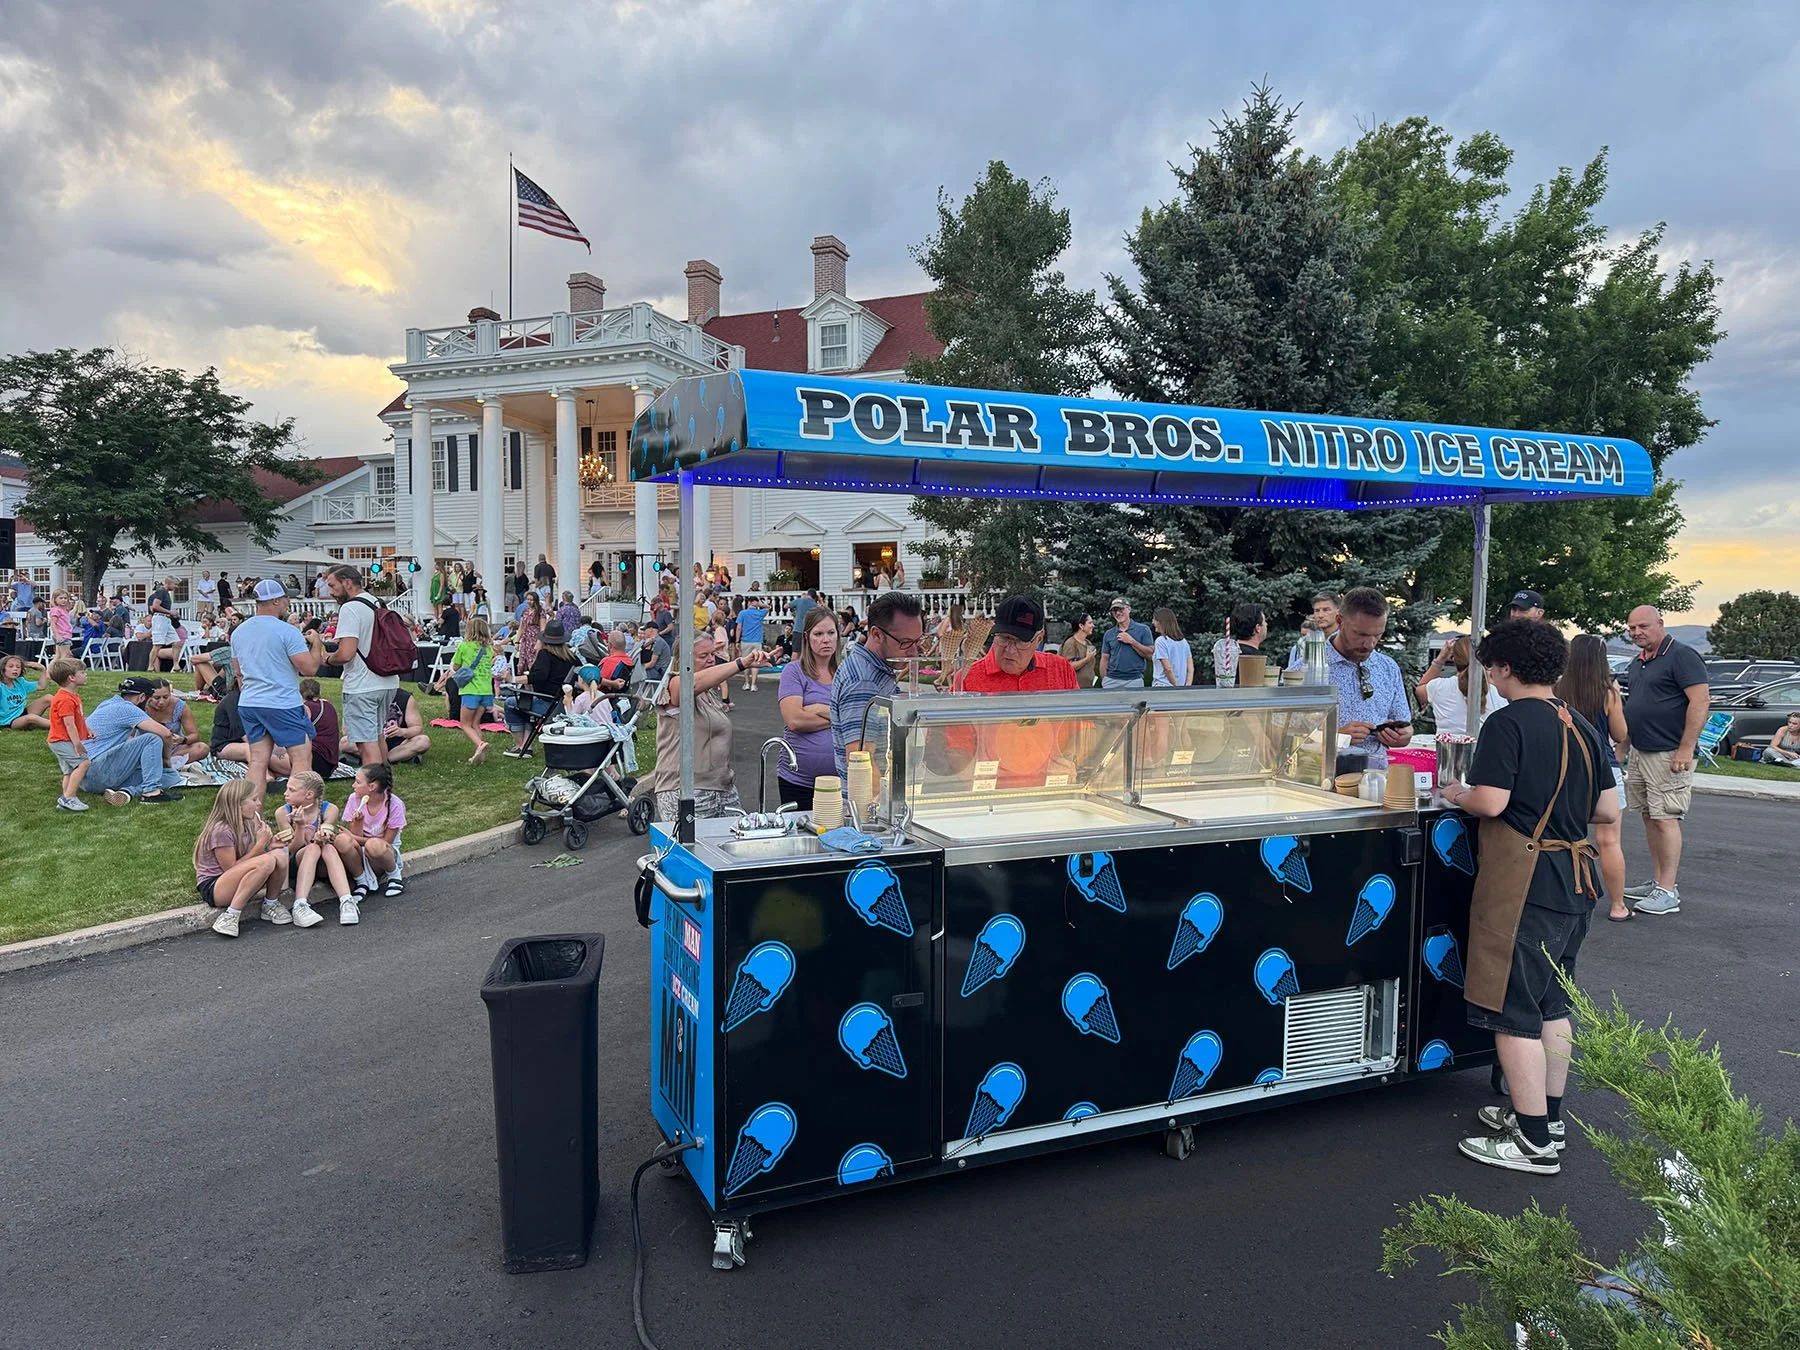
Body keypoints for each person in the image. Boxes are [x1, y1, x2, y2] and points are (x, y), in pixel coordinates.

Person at [1439, 620, 1615, 1175]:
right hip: (1576, 879)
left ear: (1505, 668)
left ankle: (1533, 1142)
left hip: (1525, 884)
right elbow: (1607, 810)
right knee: (1552, 1006)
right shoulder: (1580, 723)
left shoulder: (1507, 722)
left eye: (1491, 667)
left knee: (1512, 1011)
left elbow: (1491, 802)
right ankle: (1547, 1118)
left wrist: (1457, 792)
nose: (1489, 677)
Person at [1620, 605, 1710, 917]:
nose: (1636, 632)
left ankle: (1668, 891)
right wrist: (1624, 746)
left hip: (1669, 753)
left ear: (1660, 623)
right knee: (1649, 816)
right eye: (1632, 628)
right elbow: (1634, 706)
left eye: (1643, 626)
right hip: (1641, 751)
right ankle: (1659, 881)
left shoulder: (1682, 656)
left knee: (1665, 818)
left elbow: (1700, 701)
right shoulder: (1638, 662)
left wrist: (1686, 748)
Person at [1279, 586, 1411, 767]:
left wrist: (1403, 735)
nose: (1369, 644)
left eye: (1377, 635)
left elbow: (1404, 723)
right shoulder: (1304, 671)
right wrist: (1336, 736)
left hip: (1376, 777)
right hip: (1323, 777)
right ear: (1340, 621)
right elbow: (1279, 736)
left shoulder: (1388, 667)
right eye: (1361, 634)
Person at [647, 626, 767, 822]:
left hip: (722, 788)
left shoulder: (709, 694)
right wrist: (742, 663)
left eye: (713, 654)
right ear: (684, 660)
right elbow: (690, 684)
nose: (711, 659)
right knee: (693, 842)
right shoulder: (674, 684)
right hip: (685, 790)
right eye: (704, 656)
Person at [1556, 634, 1632, 922]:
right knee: (1609, 840)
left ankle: (1566, 896)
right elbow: (1620, 734)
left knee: (1563, 837)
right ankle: (1618, 906)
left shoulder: (1558, 689)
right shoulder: (1608, 692)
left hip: (1566, 767)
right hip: (1603, 768)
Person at [233, 579, 323, 793]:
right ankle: (299, 811)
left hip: (250, 702)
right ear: (275, 601)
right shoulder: (287, 631)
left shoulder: (239, 632)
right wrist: (317, 643)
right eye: (285, 598)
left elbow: (238, 672)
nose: (288, 602)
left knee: (257, 762)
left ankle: (252, 812)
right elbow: (309, 669)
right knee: (301, 759)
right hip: (283, 703)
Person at [831, 590, 925, 787]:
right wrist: (883, 801)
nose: (914, 651)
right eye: (906, 642)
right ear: (877, 634)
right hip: (873, 799)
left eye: (918, 641)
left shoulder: (875, 671)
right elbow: (860, 759)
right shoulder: (863, 682)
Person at [321, 564, 399, 769]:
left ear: (347, 583)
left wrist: (328, 659)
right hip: (387, 680)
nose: (330, 592)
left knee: (366, 744)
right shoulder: (377, 602)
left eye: (332, 585)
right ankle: (385, 783)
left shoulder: (350, 608)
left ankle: (373, 786)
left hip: (362, 684)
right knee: (378, 736)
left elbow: (346, 653)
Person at [200, 780, 292, 937]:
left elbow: (248, 859)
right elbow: (231, 869)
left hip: (237, 879)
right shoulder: (221, 831)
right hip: (215, 886)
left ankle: (270, 904)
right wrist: (260, 846)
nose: (259, 803)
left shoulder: (247, 823)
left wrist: (269, 846)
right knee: (267, 861)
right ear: (238, 804)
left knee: (279, 855)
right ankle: (231, 915)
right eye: (254, 799)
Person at [776, 607, 842, 812]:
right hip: (798, 781)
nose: (826, 640)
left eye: (831, 633)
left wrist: (820, 709)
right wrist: (839, 718)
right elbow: (795, 720)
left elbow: (860, 719)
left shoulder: (846, 673)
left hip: (841, 781)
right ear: (807, 637)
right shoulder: (794, 671)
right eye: (818, 634)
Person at [82, 675, 183, 805]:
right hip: (98, 770)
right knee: (152, 739)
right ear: (142, 697)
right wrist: (166, 760)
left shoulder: (107, 704)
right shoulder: (127, 708)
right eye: (150, 701)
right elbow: (166, 734)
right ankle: (151, 792)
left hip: (84, 778)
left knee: (171, 777)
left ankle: (127, 792)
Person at [273, 771, 353, 929]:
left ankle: (347, 901)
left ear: (309, 795)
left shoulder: (329, 809)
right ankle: (300, 905)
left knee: (327, 847)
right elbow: (291, 850)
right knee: (312, 848)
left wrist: (323, 836)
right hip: (297, 862)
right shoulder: (283, 813)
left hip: (322, 864)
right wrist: (300, 826)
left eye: (291, 790)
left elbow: (327, 833)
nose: (285, 793)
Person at [332, 762, 407, 911]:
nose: (353, 785)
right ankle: (362, 881)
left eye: (358, 782)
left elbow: (386, 843)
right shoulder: (354, 799)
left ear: (372, 787)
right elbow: (354, 838)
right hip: (362, 854)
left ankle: (394, 875)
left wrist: (354, 838)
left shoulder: (394, 804)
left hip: (383, 855)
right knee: (341, 840)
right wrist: (357, 823)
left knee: (373, 845)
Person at [502, 620, 576, 756]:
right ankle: (526, 746)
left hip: (549, 704)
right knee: (526, 702)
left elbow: (539, 676)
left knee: (510, 703)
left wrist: (512, 679)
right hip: (565, 704)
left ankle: (521, 746)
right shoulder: (572, 657)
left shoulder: (545, 654)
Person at [1416, 635, 1506, 734]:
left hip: (1446, 743)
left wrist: (1440, 659)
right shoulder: (1497, 693)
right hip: (1483, 743)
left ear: (1453, 658)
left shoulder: (1439, 687)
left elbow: (1420, 690)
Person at [436, 614, 496, 764]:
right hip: (486, 691)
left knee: (465, 724)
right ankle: (480, 754)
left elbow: (456, 666)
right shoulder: (489, 649)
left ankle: (480, 744)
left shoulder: (464, 646)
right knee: (476, 723)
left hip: (470, 691)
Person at [44, 657, 95, 811]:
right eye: (82, 672)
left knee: (69, 771)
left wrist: (87, 729)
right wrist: (77, 744)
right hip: (62, 740)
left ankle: (65, 800)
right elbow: (69, 724)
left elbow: (78, 718)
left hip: (62, 740)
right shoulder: (65, 699)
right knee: (83, 763)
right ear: (71, 678)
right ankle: (69, 798)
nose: (85, 675)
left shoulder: (73, 696)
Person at [145, 679, 209, 764]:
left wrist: (182, 740)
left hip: (173, 749)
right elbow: (130, 735)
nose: (161, 702)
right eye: (156, 698)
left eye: (165, 697)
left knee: (202, 748)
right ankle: (167, 763)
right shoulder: (142, 707)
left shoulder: (180, 706)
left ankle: (165, 763)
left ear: (170, 694)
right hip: (146, 748)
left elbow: (194, 735)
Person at [1099, 598, 1153, 690]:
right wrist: (1104, 680)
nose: (1117, 613)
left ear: (1129, 609)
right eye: (1114, 611)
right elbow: (1104, 658)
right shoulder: (1109, 634)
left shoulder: (1143, 629)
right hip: (1111, 681)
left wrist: (1131, 641)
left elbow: (1150, 655)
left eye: (1121, 609)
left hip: (1134, 680)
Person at [299, 677, 342, 773]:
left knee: (268, 756)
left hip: (314, 760)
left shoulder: (306, 708)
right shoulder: (328, 705)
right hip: (330, 762)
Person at [1288, 591, 1342, 666]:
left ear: (1338, 612)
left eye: (1326, 610)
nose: (1320, 615)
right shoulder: (1303, 643)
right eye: (1317, 611)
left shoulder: (1349, 641)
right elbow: (1292, 671)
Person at [0, 652, 51, 731]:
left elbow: (41, 686)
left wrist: (43, 670)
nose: (15, 669)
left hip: (21, 712)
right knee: (31, 718)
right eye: (11, 666)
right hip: (9, 721)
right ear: (2, 669)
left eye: (18, 667)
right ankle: (60, 725)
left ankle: (69, 714)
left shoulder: (20, 682)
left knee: (48, 698)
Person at [1152, 608, 1193, 687]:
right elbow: (1190, 668)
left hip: (1163, 686)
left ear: (1161, 622)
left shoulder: (1161, 641)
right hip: (1181, 687)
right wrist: (1187, 686)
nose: (1153, 622)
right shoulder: (1183, 642)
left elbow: (1167, 668)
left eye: (1155, 620)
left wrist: (1176, 687)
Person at [736, 596, 768, 692]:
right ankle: (753, 684)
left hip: (745, 640)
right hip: (757, 641)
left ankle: (746, 683)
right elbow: (768, 607)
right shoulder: (760, 613)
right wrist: (759, 604)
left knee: (745, 662)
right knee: (756, 662)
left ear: (748, 602)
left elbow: (739, 627)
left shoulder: (742, 613)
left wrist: (737, 640)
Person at [1060, 613, 1097, 687]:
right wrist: (1087, 659)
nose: (1093, 625)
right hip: (1075, 689)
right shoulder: (1071, 643)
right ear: (1081, 626)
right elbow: (1069, 666)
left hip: (1089, 687)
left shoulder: (1088, 643)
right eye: (1090, 623)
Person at [636, 622, 672, 687]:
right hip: (656, 669)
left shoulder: (658, 642)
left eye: (645, 630)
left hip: (659, 671)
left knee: (637, 676)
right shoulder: (654, 641)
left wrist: (639, 669)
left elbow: (652, 663)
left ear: (651, 629)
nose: (644, 632)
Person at [47, 591, 74, 661]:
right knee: (65, 656)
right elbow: (53, 623)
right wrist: (57, 635)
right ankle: (62, 668)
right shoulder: (56, 610)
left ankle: (51, 668)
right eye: (61, 598)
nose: (63, 600)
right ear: (55, 599)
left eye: (65, 598)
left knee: (58, 656)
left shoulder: (64, 610)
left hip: (65, 634)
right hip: (62, 635)